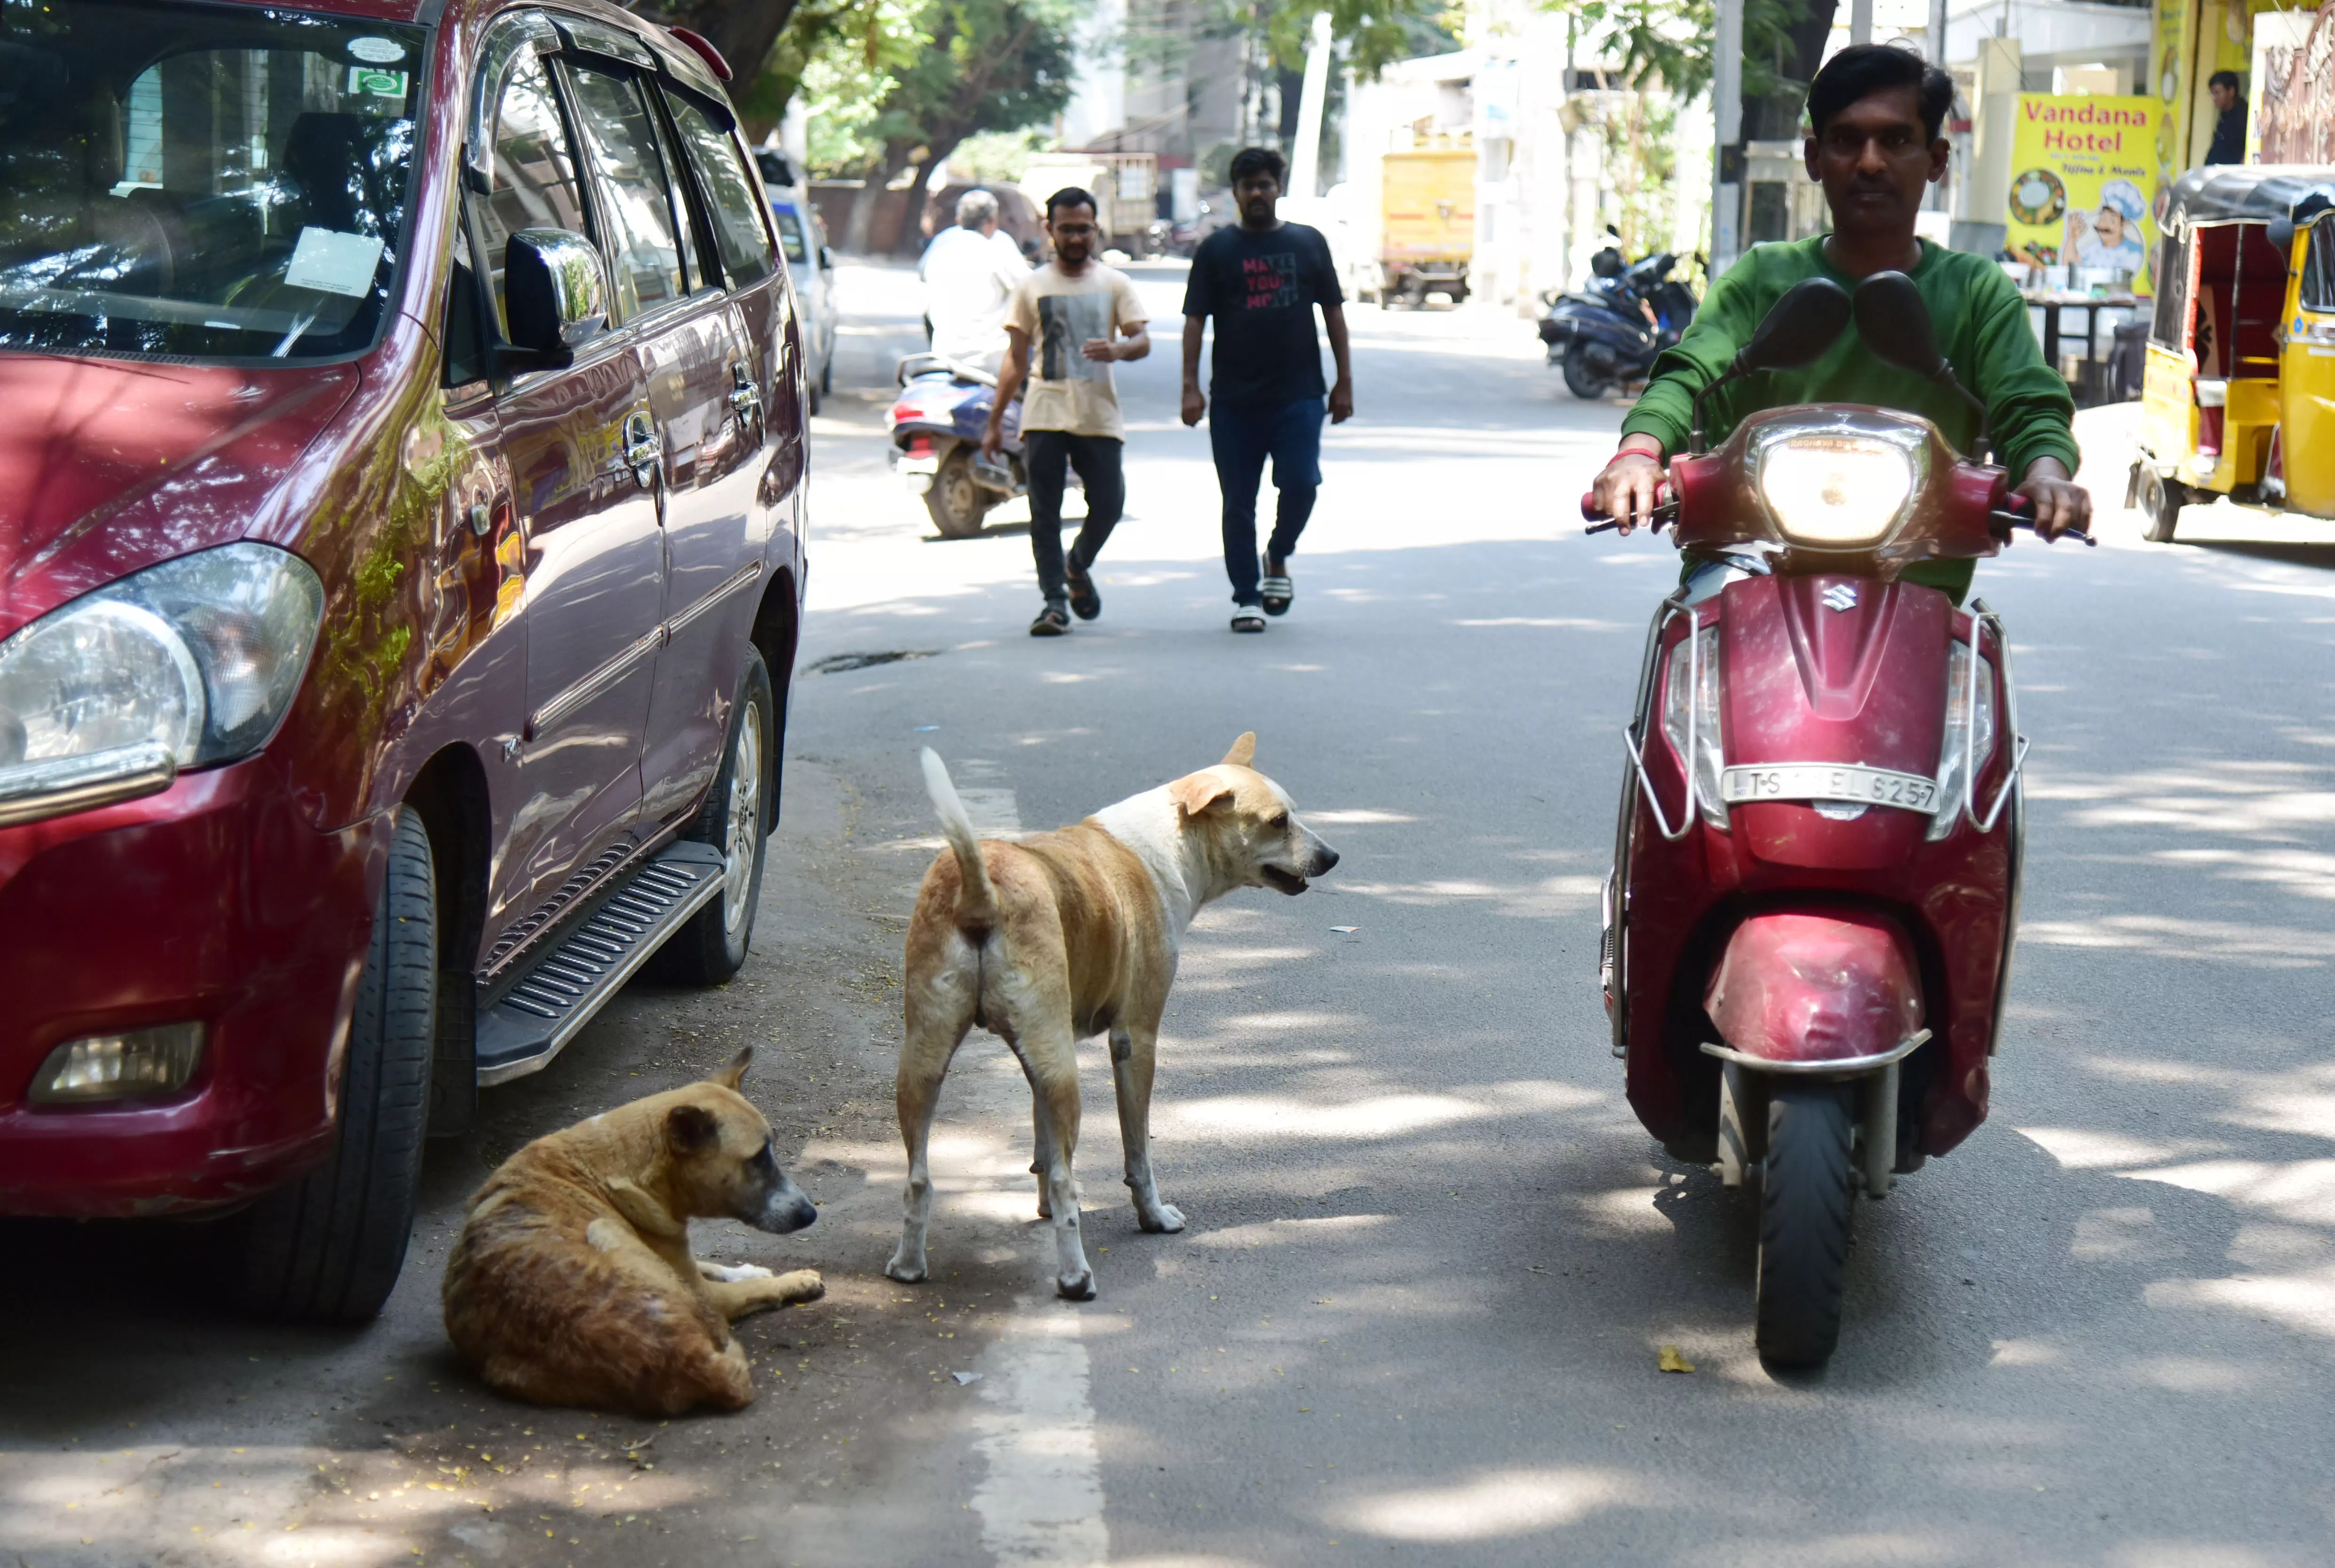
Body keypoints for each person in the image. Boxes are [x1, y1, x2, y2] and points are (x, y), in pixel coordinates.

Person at [1590, 42, 2090, 603]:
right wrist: (1637, 454)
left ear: (1937, 160)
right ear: (1814, 158)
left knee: (1978, 670)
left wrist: (2046, 474)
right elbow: (1688, 377)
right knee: (1684, 660)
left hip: (1918, 594)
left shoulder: (1977, 291)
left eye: (1896, 140)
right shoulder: (1761, 277)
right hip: (1750, 575)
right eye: (1847, 140)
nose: (1870, 162)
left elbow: (2028, 407)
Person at [1180, 146, 1354, 633]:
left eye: (1265, 185)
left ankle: (1277, 553)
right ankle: (1246, 596)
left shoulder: (1308, 243)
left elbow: (1334, 314)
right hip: (1234, 400)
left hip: (1299, 394)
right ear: (1235, 192)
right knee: (1238, 500)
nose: (1257, 193)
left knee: (1302, 484)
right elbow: (1195, 321)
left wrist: (1344, 381)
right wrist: (1190, 388)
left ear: (1279, 189)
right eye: (1248, 185)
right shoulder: (1217, 250)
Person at [982, 188, 1151, 637]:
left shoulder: (1116, 283)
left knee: (1110, 504)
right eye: (1066, 229)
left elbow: (1142, 340)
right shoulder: (1031, 286)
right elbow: (1016, 358)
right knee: (1045, 512)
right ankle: (1054, 602)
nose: (1076, 238)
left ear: (1096, 229)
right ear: (1050, 230)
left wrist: (1119, 348)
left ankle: (1077, 566)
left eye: (1084, 229)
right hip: (1044, 415)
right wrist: (996, 421)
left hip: (1099, 415)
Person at [921, 188, 1029, 372]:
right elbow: (1029, 288)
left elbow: (922, 274)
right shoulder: (998, 249)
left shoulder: (941, 245)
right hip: (989, 361)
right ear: (993, 221)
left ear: (959, 220)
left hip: (942, 356)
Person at [2066, 178, 2147, 275]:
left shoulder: (2134, 253)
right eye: (2103, 218)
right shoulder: (2095, 249)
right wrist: (2072, 239)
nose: (2104, 225)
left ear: (2124, 224)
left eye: (2112, 220)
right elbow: (2069, 270)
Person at [2205, 70, 2246, 166]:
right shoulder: (2225, 114)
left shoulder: (2243, 116)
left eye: (2217, 93)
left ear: (2231, 91)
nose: (2214, 98)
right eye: (2212, 94)